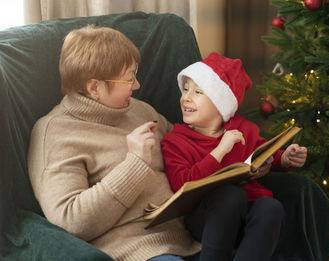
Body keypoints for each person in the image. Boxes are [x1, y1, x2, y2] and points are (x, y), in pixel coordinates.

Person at [27, 25, 201, 261]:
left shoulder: (139, 109)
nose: (137, 86)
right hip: (137, 250)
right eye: (129, 79)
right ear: (94, 87)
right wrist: (135, 164)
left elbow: (186, 144)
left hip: (192, 233)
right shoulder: (55, 134)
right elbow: (70, 221)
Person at [161, 52, 308, 261]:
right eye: (185, 90)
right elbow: (181, 185)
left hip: (245, 218)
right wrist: (220, 151)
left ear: (221, 104)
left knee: (271, 207)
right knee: (230, 194)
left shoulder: (243, 130)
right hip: (206, 218)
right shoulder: (175, 141)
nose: (186, 97)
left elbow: (262, 154)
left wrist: (284, 159)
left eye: (198, 92)